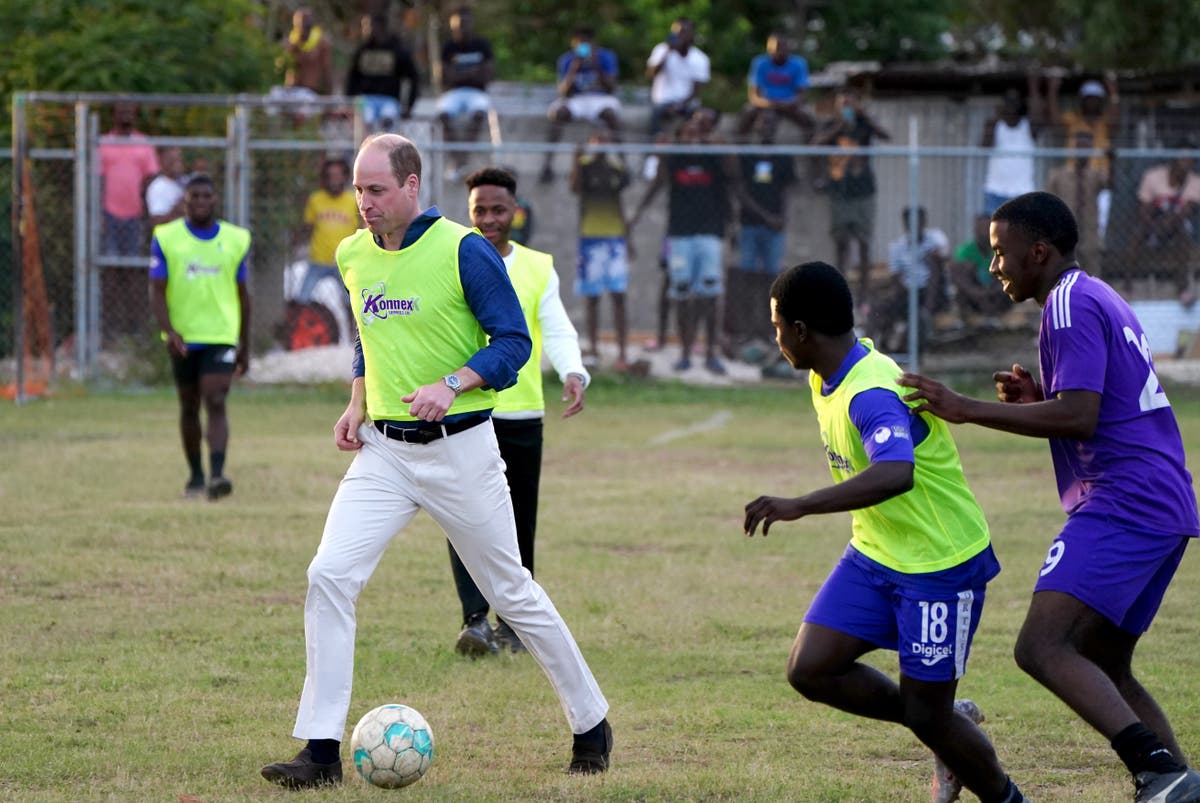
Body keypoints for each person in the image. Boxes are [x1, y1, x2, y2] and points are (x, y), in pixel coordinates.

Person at [259, 134, 611, 789]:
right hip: (384, 453)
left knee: (512, 592)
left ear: (413, 186)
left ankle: (591, 721)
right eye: (359, 190)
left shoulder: (464, 250)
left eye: (377, 190)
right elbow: (368, 337)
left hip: (462, 450)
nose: (364, 203)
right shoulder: (352, 254)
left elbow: (512, 342)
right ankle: (320, 749)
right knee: (328, 574)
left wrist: (452, 382)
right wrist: (355, 402)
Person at [897, 191, 1200, 803]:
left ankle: (1160, 773)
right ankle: (1177, 787)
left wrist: (966, 409)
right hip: (1159, 498)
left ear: (1038, 252)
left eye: (1000, 253)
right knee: (1104, 662)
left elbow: (1082, 416)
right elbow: (1096, 402)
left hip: (1126, 500)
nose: (993, 267)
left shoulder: (1065, 305)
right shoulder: (1094, 293)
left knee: (1041, 646)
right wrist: (1040, 396)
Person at [743, 261, 1026, 803]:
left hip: (938, 564)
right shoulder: (827, 371)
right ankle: (947, 724)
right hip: (876, 554)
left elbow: (897, 472)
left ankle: (1008, 796)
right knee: (811, 669)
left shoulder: (870, 391)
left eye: (777, 325)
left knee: (927, 714)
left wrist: (799, 505)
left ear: (801, 330)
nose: (774, 336)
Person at [448, 166, 591, 656]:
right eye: (479, 211)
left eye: (498, 210)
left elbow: (555, 327)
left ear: (516, 211)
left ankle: (514, 621)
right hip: (466, 412)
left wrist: (572, 371)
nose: (489, 219)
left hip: (522, 414)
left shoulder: (537, 266)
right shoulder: (452, 257)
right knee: (463, 516)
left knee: (516, 520)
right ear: (468, 214)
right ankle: (475, 621)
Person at [147, 175, 252, 500]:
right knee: (189, 406)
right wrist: (169, 331)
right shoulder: (166, 238)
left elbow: (244, 295)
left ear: (215, 199)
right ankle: (195, 476)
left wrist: (244, 346)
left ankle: (218, 476)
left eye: (207, 196)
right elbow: (156, 290)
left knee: (215, 399)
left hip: (221, 335)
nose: (201, 202)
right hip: (183, 338)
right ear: (185, 201)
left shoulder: (236, 239)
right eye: (195, 196)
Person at [629, 107, 736, 374]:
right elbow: (658, 183)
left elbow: (733, 175)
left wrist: (719, 147)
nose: (694, 134)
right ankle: (685, 352)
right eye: (689, 131)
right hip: (680, 234)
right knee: (681, 292)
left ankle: (710, 353)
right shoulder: (675, 158)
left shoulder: (714, 156)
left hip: (710, 232)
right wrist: (635, 217)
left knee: (710, 293)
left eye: (699, 130)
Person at [814, 88, 890, 309]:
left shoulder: (865, 124)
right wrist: (839, 128)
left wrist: (864, 116)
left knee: (864, 242)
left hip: (863, 192)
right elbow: (815, 145)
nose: (847, 109)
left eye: (851, 104)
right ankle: (840, 290)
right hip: (839, 191)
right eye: (843, 105)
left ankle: (864, 295)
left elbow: (885, 135)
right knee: (841, 243)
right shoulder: (832, 126)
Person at [570, 128, 631, 369]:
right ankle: (594, 350)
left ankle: (622, 353)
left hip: (615, 237)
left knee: (618, 295)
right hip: (590, 237)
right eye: (597, 139)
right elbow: (575, 188)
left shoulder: (617, 168)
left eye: (606, 139)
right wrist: (576, 161)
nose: (601, 144)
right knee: (592, 297)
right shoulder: (583, 165)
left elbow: (621, 198)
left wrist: (629, 237)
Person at [539, 26, 622, 184]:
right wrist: (574, 69)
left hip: (600, 98)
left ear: (593, 43)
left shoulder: (606, 56)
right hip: (577, 99)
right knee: (559, 114)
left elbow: (611, 88)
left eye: (586, 42)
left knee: (611, 115)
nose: (583, 46)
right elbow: (564, 92)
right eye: (579, 43)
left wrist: (596, 65)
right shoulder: (567, 59)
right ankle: (547, 164)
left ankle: (623, 159)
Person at [1129, 140, 1200, 304]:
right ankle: (1127, 285)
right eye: (1183, 159)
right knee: (1137, 232)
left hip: (1179, 226)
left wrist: (1169, 223)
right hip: (1153, 223)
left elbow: (1187, 210)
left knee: (1181, 228)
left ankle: (1183, 289)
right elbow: (1144, 208)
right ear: (1173, 159)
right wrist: (1154, 225)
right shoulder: (1153, 176)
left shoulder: (1195, 182)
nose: (1186, 164)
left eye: (1190, 160)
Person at [876, 207, 950, 352]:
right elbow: (895, 277)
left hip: (933, 291)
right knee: (879, 307)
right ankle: (877, 348)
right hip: (908, 291)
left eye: (918, 221)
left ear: (924, 221)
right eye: (910, 222)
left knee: (933, 264)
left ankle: (926, 313)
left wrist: (933, 257)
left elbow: (945, 259)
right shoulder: (898, 247)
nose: (914, 225)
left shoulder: (935, 238)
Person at [437, 6, 494, 180]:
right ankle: (459, 160)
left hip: (477, 93)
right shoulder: (448, 47)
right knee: (443, 114)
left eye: (465, 23)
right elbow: (443, 77)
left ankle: (462, 159)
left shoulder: (482, 45)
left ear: (471, 24)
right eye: (458, 25)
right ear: (452, 26)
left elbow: (488, 75)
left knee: (478, 113)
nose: (462, 28)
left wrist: (459, 73)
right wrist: (473, 72)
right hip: (454, 93)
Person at [98, 102, 160, 257]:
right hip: (109, 213)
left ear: (135, 114)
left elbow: (151, 177)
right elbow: (98, 179)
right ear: (114, 115)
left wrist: (146, 209)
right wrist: (98, 211)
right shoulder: (103, 143)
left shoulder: (144, 143)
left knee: (133, 259)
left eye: (129, 111)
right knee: (109, 259)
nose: (125, 115)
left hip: (136, 213)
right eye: (121, 111)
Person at [296, 157, 360, 303]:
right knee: (302, 299)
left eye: (338, 176)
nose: (334, 180)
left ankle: (353, 326)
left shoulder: (353, 200)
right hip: (318, 260)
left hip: (344, 262)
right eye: (330, 176)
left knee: (352, 302)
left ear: (345, 177)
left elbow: (361, 228)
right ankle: (302, 325)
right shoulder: (316, 199)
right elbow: (308, 227)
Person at [345, 13, 420, 132]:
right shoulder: (362, 50)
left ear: (379, 26)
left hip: (389, 99)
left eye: (367, 26)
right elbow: (352, 78)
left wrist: (409, 105)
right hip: (366, 99)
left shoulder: (397, 50)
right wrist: (349, 101)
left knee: (388, 120)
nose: (364, 30)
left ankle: (387, 149)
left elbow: (413, 77)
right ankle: (364, 149)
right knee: (365, 120)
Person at [1045, 129, 1105, 276]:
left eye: (1086, 147)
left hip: (1089, 234)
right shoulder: (1059, 175)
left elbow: (1110, 184)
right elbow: (1047, 203)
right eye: (1080, 146)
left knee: (1092, 276)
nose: (1082, 151)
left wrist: (1112, 161)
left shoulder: (1096, 175)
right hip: (1065, 234)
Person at [981, 80, 1044, 215]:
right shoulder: (994, 124)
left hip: (1022, 191)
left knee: (1023, 232)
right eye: (1008, 101)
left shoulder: (1028, 126)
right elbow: (984, 146)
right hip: (995, 190)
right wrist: (996, 118)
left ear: (1021, 103)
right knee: (994, 233)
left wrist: (1034, 88)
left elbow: (1038, 121)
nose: (1011, 105)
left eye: (1015, 101)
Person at [735, 32, 814, 141]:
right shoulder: (760, 63)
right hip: (766, 104)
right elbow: (754, 96)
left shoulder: (799, 63)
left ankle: (812, 151)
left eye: (781, 47)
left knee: (808, 117)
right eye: (774, 48)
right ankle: (740, 150)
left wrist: (786, 104)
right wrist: (769, 104)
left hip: (790, 104)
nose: (778, 51)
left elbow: (802, 95)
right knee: (750, 113)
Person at [645, 17, 710, 140]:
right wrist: (667, 53)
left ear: (692, 35)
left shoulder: (700, 58)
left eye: (683, 32)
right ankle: (652, 153)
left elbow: (697, 90)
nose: (678, 36)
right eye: (676, 33)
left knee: (702, 117)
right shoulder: (662, 50)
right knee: (657, 114)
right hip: (662, 102)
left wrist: (679, 105)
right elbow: (651, 75)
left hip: (688, 103)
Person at [269, 7, 334, 117]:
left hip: (309, 93)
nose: (303, 26)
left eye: (306, 22)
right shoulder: (291, 42)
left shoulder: (322, 43)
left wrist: (329, 99)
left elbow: (327, 70)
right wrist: (292, 48)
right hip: (290, 91)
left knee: (303, 109)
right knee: (273, 98)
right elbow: (279, 68)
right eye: (299, 23)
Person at [948, 213, 1010, 324]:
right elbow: (957, 274)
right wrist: (978, 293)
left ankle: (993, 316)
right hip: (974, 295)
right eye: (980, 228)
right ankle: (979, 317)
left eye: (986, 228)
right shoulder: (965, 250)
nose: (983, 233)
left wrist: (989, 292)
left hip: (995, 294)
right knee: (965, 268)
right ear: (974, 230)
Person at [145, 146, 188, 228]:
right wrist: (177, 209)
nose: (177, 164)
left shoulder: (185, 182)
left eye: (179, 159)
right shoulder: (158, 187)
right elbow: (157, 222)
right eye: (172, 161)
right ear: (162, 162)